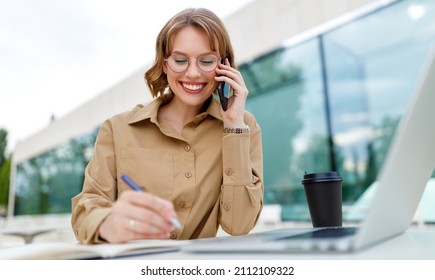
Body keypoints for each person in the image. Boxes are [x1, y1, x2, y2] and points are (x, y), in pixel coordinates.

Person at [71, 7, 264, 244]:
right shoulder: (117, 129)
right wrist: (109, 224)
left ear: (224, 65)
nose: (193, 73)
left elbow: (238, 225)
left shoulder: (244, 128)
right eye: (180, 60)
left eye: (206, 61)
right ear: (164, 64)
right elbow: (85, 211)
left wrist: (234, 127)